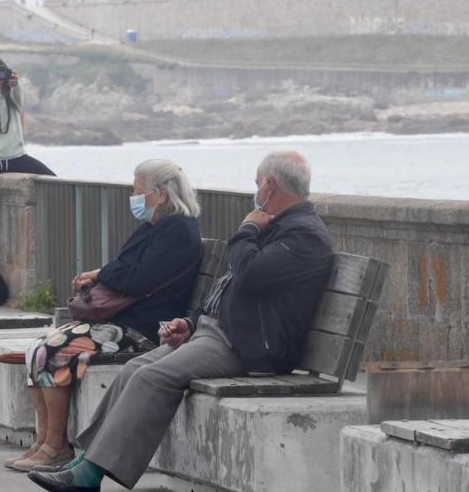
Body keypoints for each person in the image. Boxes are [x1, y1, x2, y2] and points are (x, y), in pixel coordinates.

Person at [27, 151, 335, 492]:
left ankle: (89, 476)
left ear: (270, 185)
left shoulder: (303, 235)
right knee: (133, 369)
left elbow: (249, 276)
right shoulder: (276, 226)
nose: (256, 190)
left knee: (151, 377)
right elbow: (230, 291)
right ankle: (84, 461)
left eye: (257, 182)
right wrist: (190, 323)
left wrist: (246, 229)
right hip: (217, 332)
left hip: (248, 346)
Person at [5, 159, 202, 473]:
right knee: (37, 347)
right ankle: (43, 440)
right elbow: (124, 267)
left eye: (139, 191)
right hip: (122, 321)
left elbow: (135, 279)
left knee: (53, 350)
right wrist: (105, 273)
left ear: (161, 194)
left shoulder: (177, 231)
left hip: (143, 330)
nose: (134, 198)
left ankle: (56, 446)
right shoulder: (156, 226)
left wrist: (102, 274)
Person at [0, 57, 55, 262]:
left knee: (52, 181)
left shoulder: (11, 93)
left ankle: (55, 222)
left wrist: (14, 84)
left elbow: (19, 101)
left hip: (16, 156)